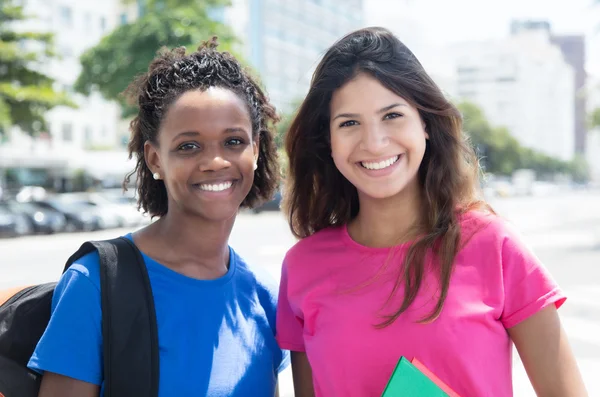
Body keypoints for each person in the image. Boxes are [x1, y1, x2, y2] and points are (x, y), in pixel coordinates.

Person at [276, 27, 587, 397]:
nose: (374, 142)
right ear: (327, 140)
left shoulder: (495, 246)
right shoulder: (303, 267)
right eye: (349, 123)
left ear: (424, 122)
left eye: (392, 115)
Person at [28, 38, 289, 396]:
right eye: (188, 146)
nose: (216, 161)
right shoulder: (97, 283)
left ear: (256, 150)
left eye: (233, 141)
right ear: (154, 160)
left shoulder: (265, 297)